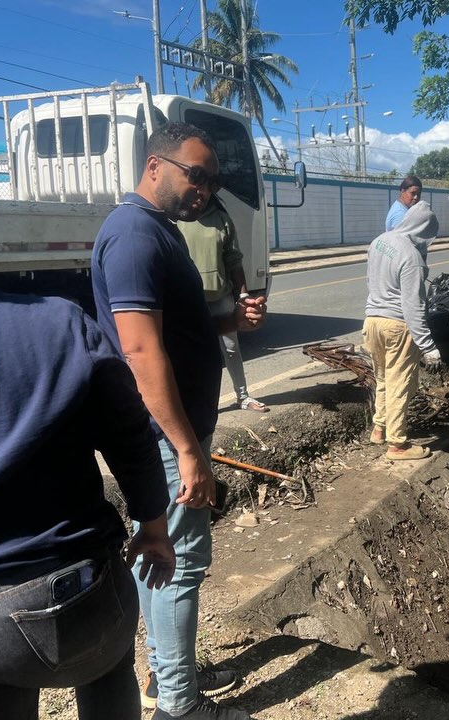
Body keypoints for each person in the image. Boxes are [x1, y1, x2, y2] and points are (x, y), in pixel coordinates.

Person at [0, 196, 175, 720]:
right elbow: (130, 437)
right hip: (65, 608)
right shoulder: (57, 322)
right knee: (106, 667)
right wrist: (154, 525)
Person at [92, 122, 265, 720]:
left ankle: (166, 676)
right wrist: (188, 450)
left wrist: (228, 324)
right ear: (156, 165)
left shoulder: (162, 233)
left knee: (160, 556)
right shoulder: (136, 235)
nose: (207, 190)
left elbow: (175, 333)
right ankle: (180, 707)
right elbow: (140, 351)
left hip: (179, 430)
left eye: (213, 181)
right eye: (198, 175)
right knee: (180, 563)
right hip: (170, 435)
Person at [365, 200, 442, 460]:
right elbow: (413, 307)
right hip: (397, 326)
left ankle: (379, 428)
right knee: (400, 383)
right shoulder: (412, 258)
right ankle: (397, 444)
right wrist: (429, 346)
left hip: (372, 321)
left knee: (384, 379)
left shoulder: (379, 241)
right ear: (423, 230)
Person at [179, 194, 268, 413]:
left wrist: (243, 296)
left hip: (220, 298)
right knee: (193, 353)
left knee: (230, 349)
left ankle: (243, 397)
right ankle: (195, 403)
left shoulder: (222, 220)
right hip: (191, 300)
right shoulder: (177, 221)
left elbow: (234, 261)